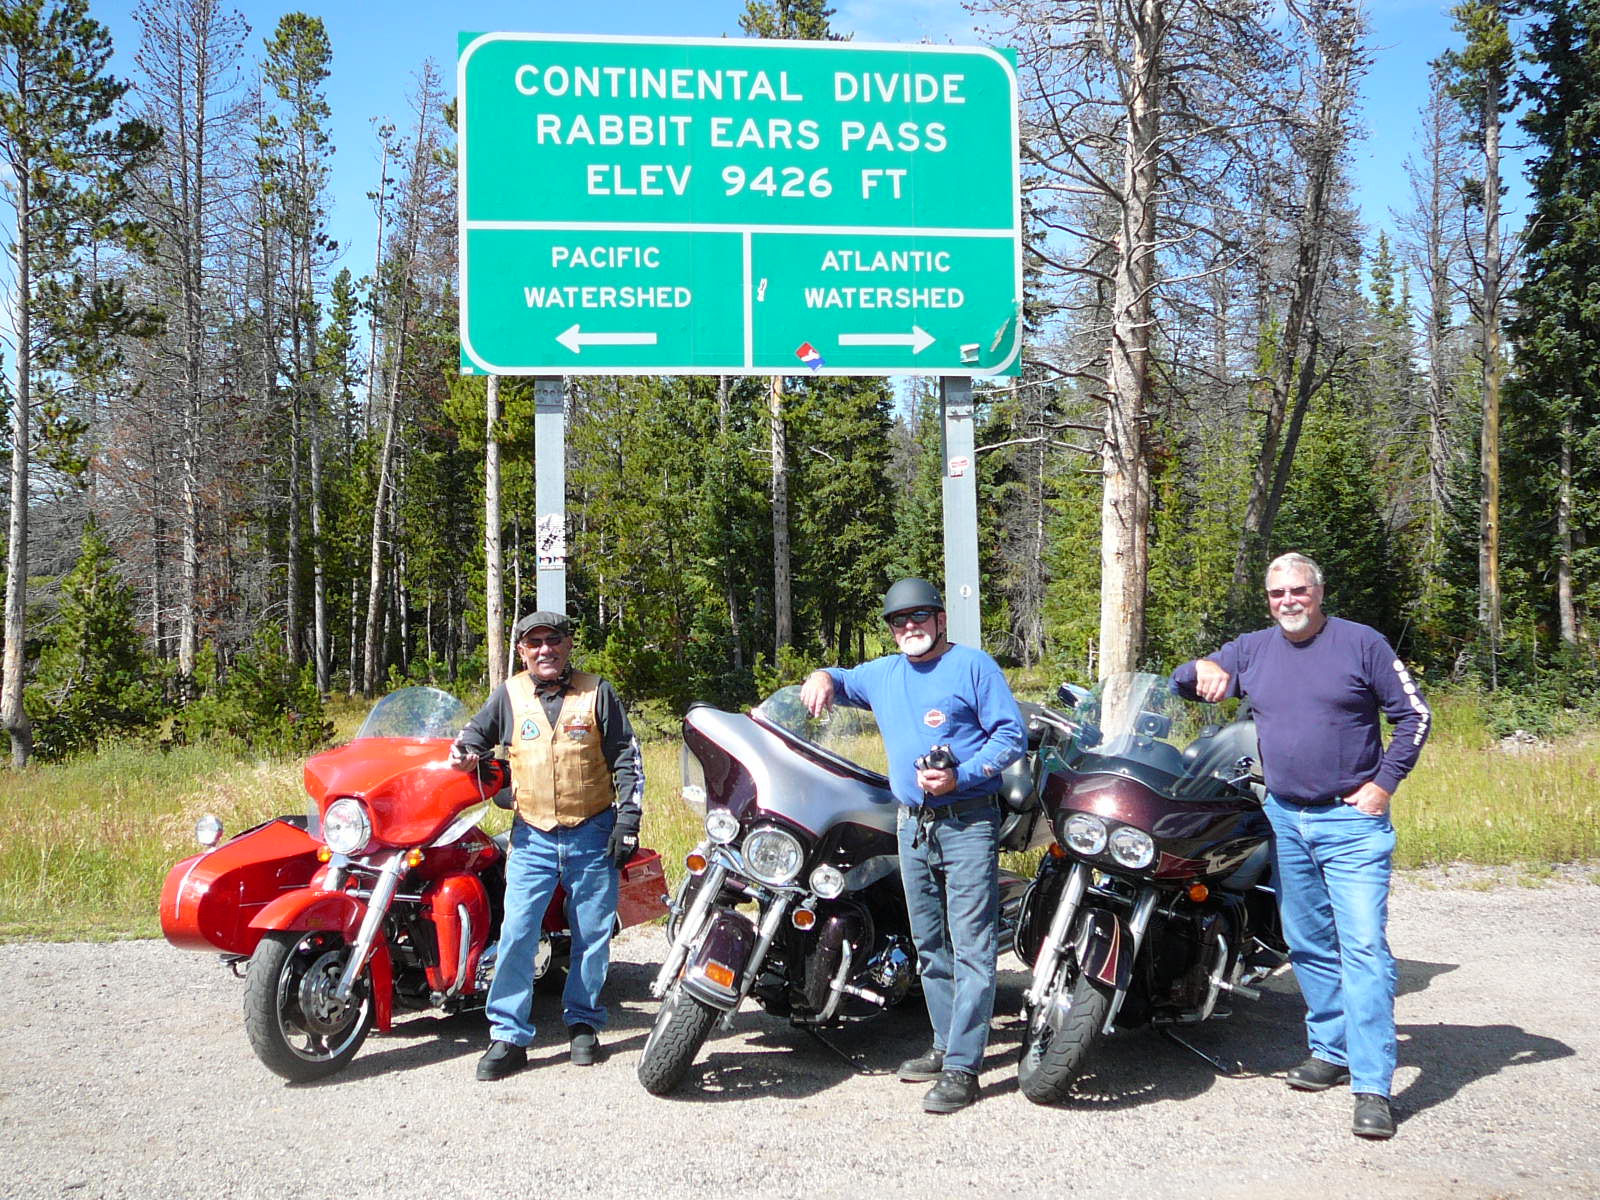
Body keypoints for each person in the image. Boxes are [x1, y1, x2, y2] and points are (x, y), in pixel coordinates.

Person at [1171, 552, 1430, 1140]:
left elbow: (1415, 716)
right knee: (1308, 942)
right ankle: (1330, 1050)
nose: (1288, 601)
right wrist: (1201, 667)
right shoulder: (1253, 649)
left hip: (1351, 822)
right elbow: (1181, 683)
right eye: (1277, 593)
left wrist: (1383, 784)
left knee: (1364, 948)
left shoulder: (1361, 644)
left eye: (1298, 590)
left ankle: (1372, 1085)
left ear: (1319, 591)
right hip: (1284, 818)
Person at [800, 578, 1025, 1114]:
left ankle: (964, 1068)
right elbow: (841, 679)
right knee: (929, 945)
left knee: (971, 945)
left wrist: (962, 775)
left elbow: (1010, 736)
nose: (909, 627)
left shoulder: (973, 667)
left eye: (919, 617)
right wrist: (821, 676)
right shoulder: (884, 673)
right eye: (899, 621)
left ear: (941, 620)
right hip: (912, 825)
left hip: (968, 821)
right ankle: (946, 1045)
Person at [448, 610, 643, 1079]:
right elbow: (471, 740)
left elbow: (627, 758)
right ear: (521, 651)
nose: (544, 650)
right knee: (517, 932)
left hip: (592, 830)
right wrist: (466, 757)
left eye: (553, 640)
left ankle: (583, 1023)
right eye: (534, 643)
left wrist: (628, 822)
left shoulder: (597, 692)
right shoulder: (509, 695)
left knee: (591, 934)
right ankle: (508, 1036)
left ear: (568, 644)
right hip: (531, 834)